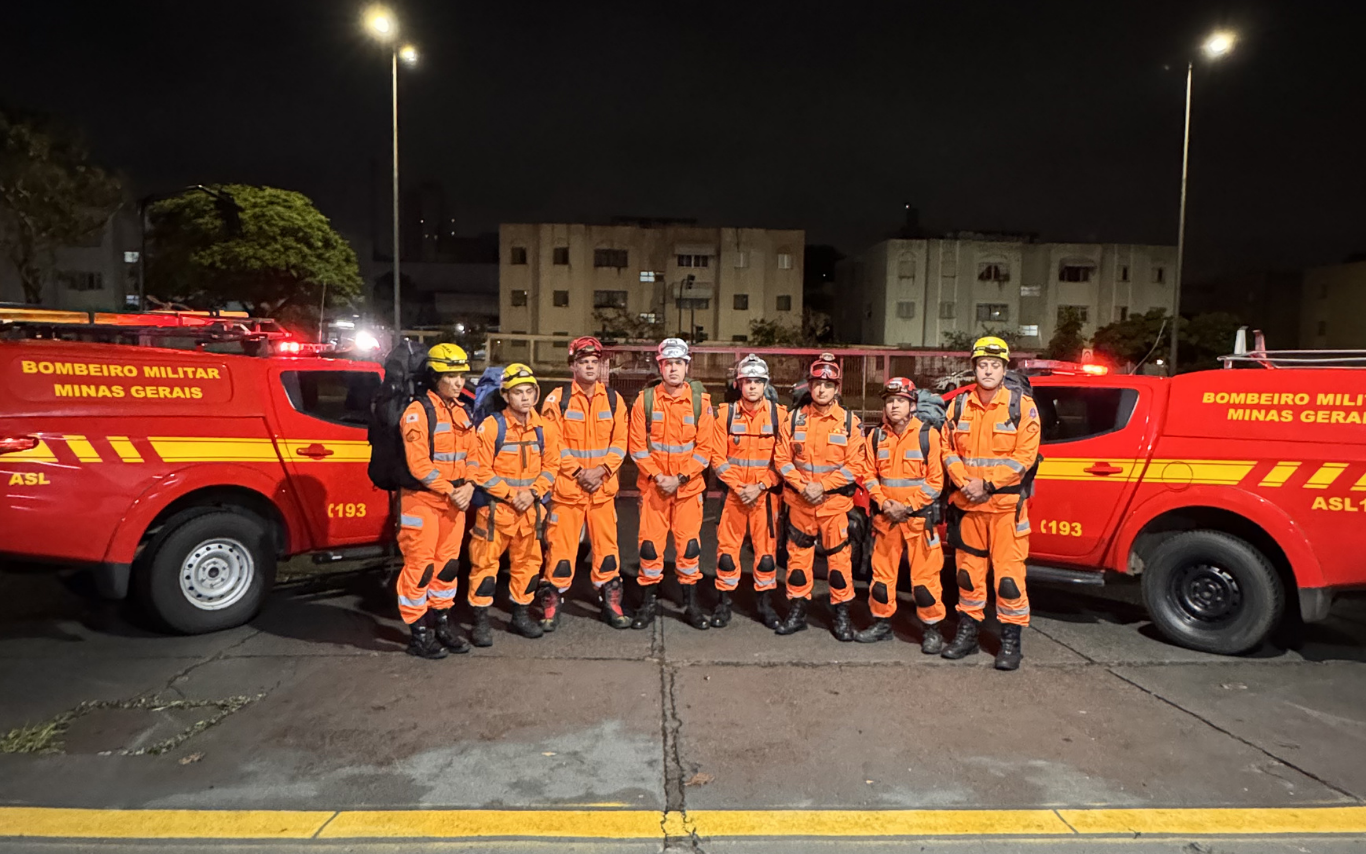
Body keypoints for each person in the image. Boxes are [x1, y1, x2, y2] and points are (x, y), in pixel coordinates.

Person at [941, 336, 1041, 670]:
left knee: (1009, 580)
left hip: (1005, 511)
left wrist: (987, 484)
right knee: (967, 578)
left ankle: (1010, 643)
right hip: (969, 508)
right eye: (982, 365)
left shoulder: (1021, 406)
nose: (987, 371)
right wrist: (964, 483)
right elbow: (947, 451)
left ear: (1004, 369)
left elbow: (1024, 457)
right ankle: (967, 636)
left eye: (994, 366)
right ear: (974, 368)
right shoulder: (958, 406)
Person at [538, 336, 631, 630]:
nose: (590, 367)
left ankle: (611, 603)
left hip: (602, 491)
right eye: (583, 362)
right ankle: (551, 605)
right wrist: (580, 472)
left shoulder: (614, 400)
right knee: (560, 553)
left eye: (594, 362)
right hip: (568, 490)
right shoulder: (557, 400)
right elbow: (552, 444)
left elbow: (620, 443)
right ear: (573, 366)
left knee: (607, 552)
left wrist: (601, 470)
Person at [772, 353, 867, 640]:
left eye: (828, 385)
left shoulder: (850, 423)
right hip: (801, 504)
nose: (822, 390)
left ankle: (841, 616)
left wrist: (822, 487)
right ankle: (798, 611)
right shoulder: (794, 420)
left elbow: (856, 466)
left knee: (839, 564)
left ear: (837, 389)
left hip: (834, 506)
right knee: (798, 561)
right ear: (809, 386)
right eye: (817, 384)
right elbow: (781, 459)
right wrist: (804, 486)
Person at [466, 363, 560, 646]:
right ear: (505, 396)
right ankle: (480, 622)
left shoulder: (545, 428)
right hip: (496, 512)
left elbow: (552, 466)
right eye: (517, 392)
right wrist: (510, 494)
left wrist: (532, 493)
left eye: (529, 391)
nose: (524, 398)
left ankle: (520, 615)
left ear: (536, 394)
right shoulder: (491, 427)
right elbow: (479, 470)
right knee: (484, 567)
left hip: (530, 512)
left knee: (529, 566)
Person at [627, 337, 717, 630]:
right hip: (654, 488)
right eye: (668, 364)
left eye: (679, 363)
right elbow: (637, 447)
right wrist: (657, 477)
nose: (674, 369)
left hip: (688, 490)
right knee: (650, 548)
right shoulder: (645, 400)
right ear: (660, 366)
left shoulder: (700, 402)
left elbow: (705, 450)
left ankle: (690, 605)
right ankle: (648, 604)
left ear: (687, 366)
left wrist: (678, 478)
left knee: (689, 548)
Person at [396, 343, 477, 659]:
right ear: (434, 376)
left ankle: (442, 624)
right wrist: (451, 489)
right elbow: (419, 466)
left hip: (454, 503)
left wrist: (469, 485)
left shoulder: (461, 411)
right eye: (451, 375)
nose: (459, 382)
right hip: (423, 502)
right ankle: (418, 634)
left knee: (447, 568)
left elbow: (473, 455)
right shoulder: (417, 412)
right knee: (421, 568)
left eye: (461, 375)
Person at [855, 377, 946, 651]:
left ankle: (932, 630)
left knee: (925, 581)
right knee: (881, 579)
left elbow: (936, 481)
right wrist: (884, 503)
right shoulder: (876, 437)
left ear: (912, 405)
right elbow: (868, 475)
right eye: (890, 401)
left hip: (918, 520)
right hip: (886, 520)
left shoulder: (927, 435)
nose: (894, 406)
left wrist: (907, 506)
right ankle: (882, 624)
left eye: (901, 401)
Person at [709, 354, 786, 629]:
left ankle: (765, 607)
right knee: (727, 553)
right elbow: (717, 458)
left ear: (766, 384)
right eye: (747, 381)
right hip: (734, 496)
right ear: (738, 384)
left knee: (766, 556)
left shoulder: (780, 416)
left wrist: (761, 485)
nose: (752, 386)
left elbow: (784, 462)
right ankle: (724, 604)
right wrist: (739, 487)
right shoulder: (724, 415)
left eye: (757, 381)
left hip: (765, 498)